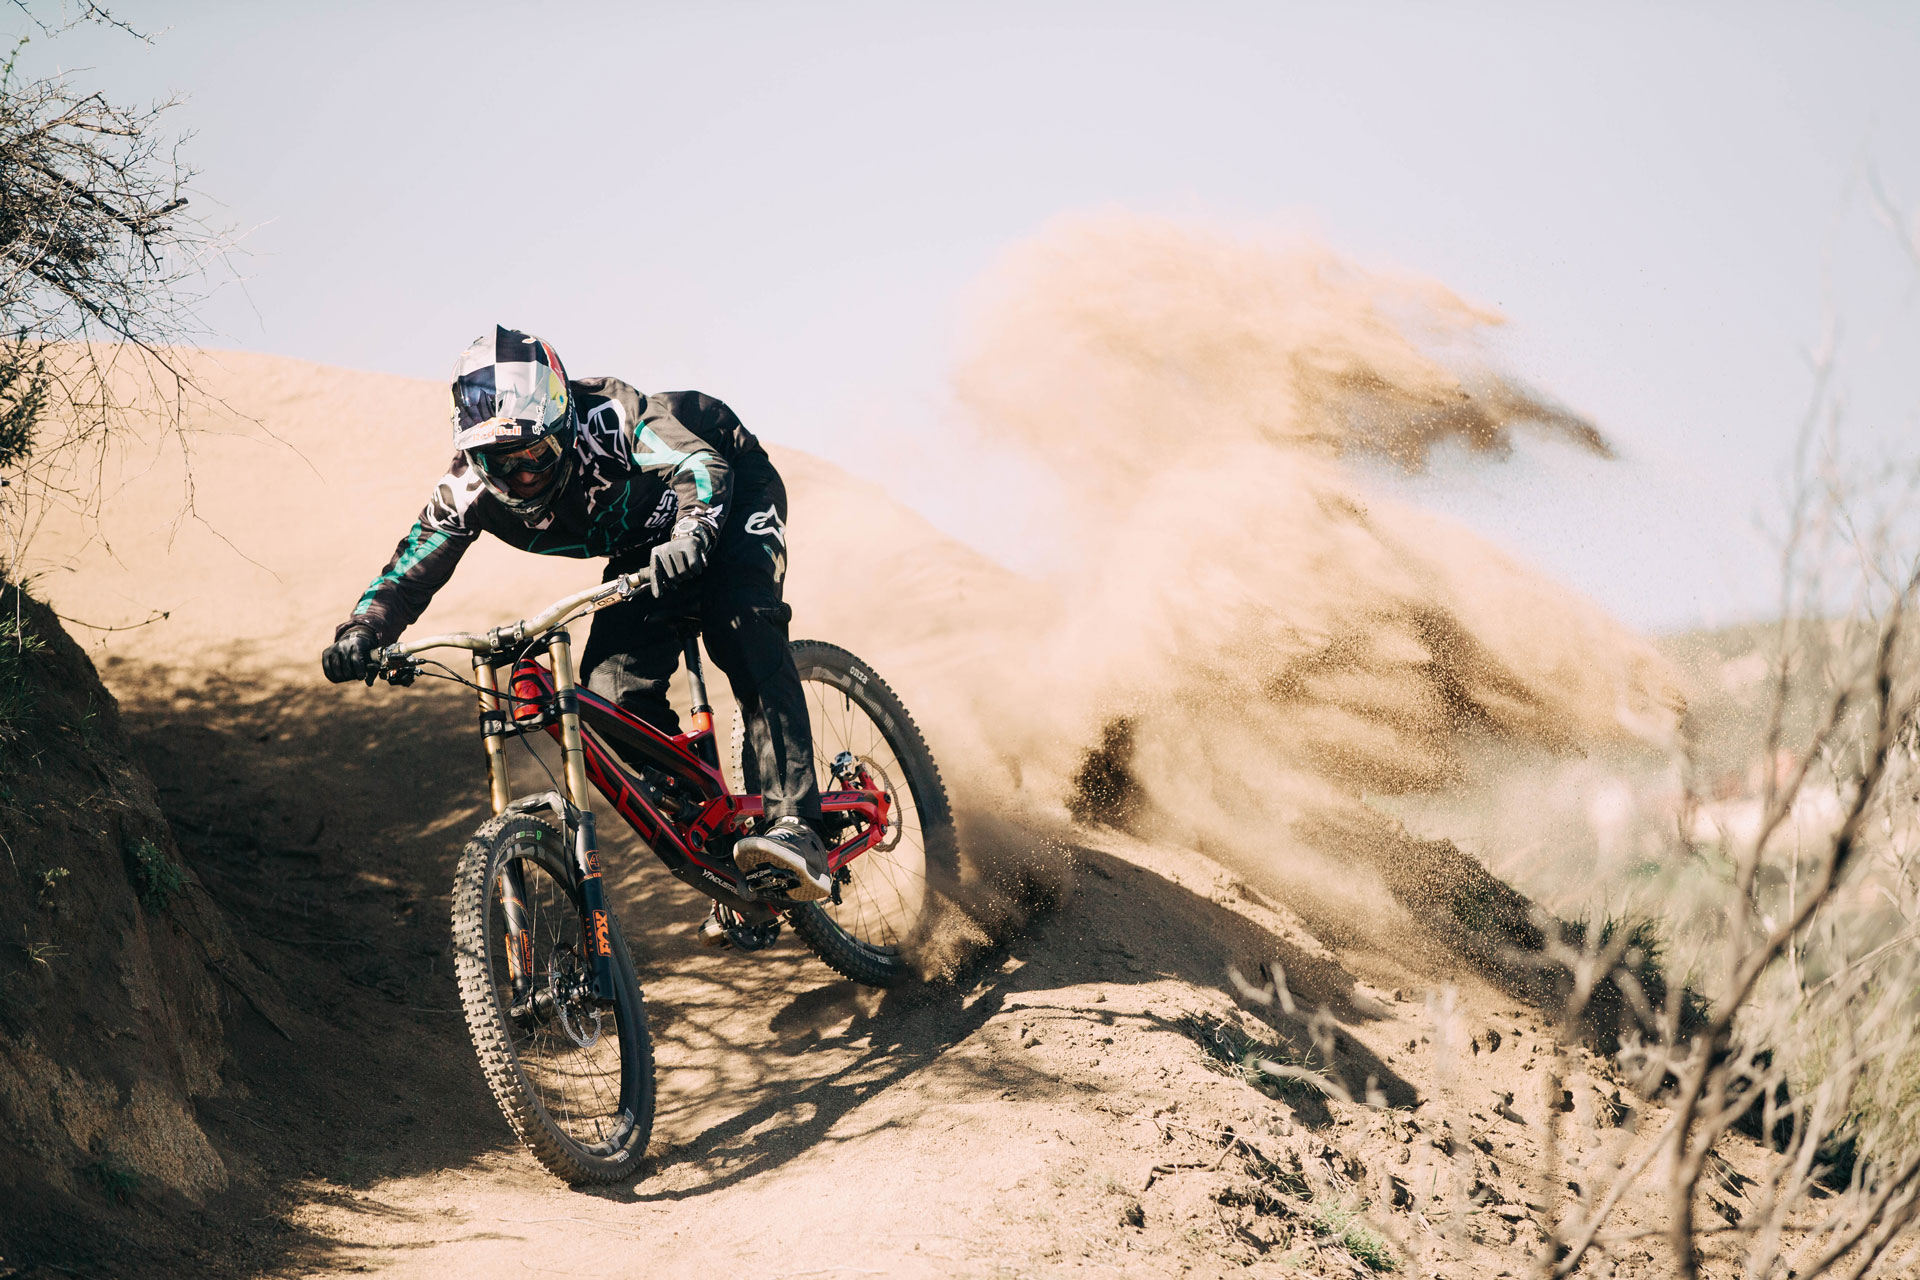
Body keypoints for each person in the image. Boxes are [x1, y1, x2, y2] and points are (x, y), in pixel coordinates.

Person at [319, 326, 832, 901]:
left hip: (727, 491)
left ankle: (797, 824)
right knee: (612, 697)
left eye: (537, 454)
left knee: (742, 624)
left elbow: (698, 463)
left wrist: (694, 530)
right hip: (645, 545)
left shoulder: (609, 416)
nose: (524, 475)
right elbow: (407, 574)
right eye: (502, 462)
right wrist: (363, 629)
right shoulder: (465, 489)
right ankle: (716, 831)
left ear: (563, 426)